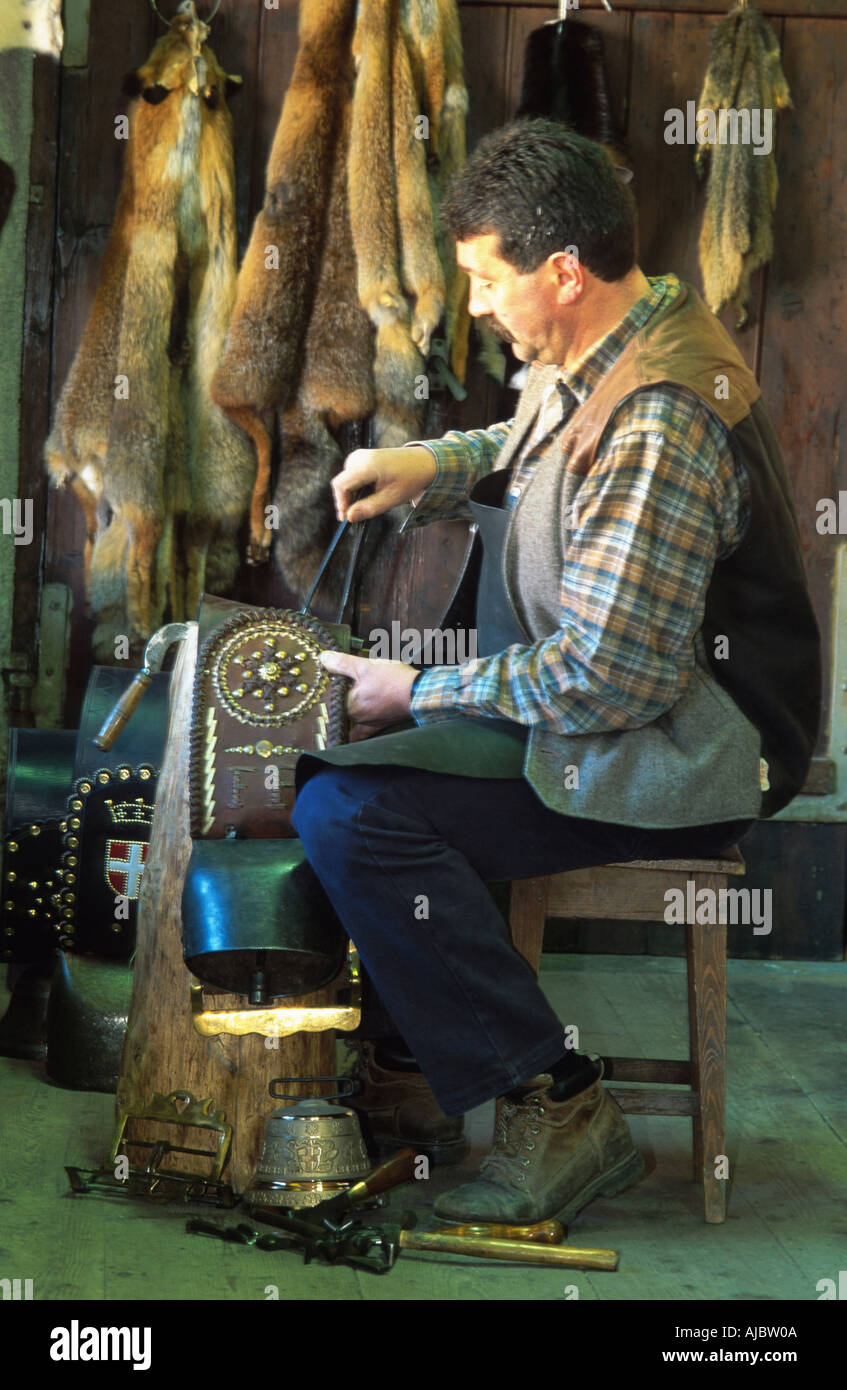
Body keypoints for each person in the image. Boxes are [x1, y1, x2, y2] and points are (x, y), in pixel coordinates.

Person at [291, 119, 821, 1226]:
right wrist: (425, 465)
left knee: (355, 811)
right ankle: (411, 1079)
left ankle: (558, 1097)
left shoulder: (660, 416)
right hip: (613, 713)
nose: (477, 303)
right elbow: (523, 443)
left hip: (684, 753)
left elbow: (605, 681)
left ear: (562, 272)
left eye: (488, 280)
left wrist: (417, 689)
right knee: (365, 765)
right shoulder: (614, 335)